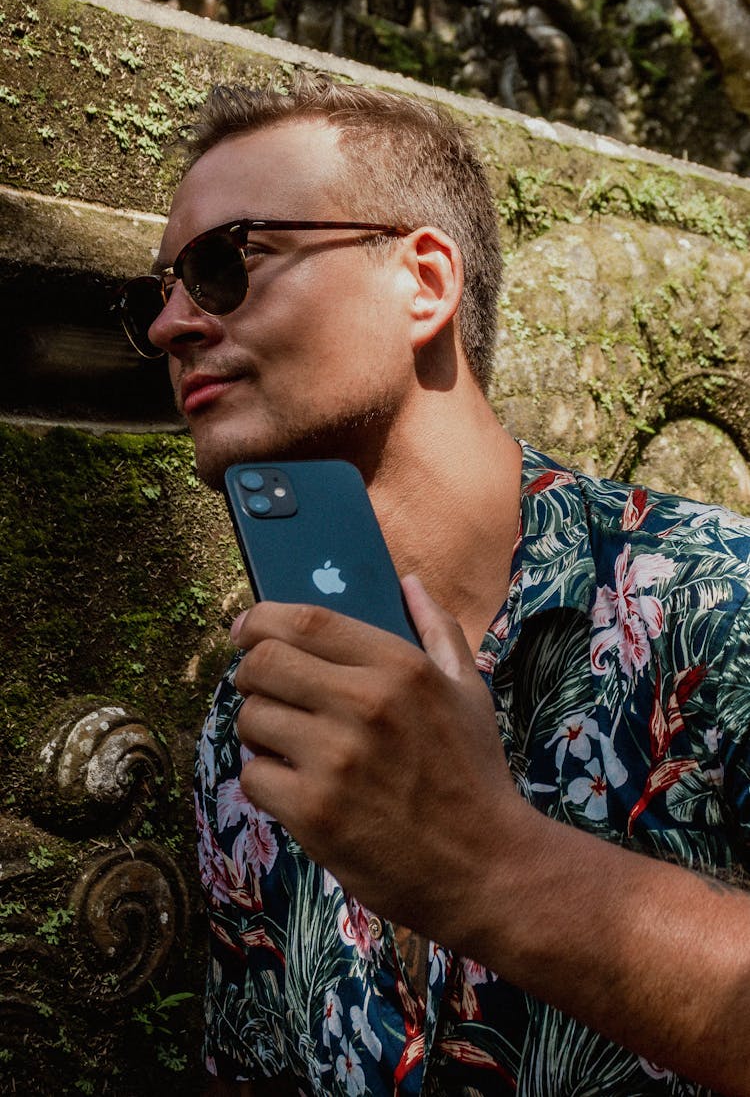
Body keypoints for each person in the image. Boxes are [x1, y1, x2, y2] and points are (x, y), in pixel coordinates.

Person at [116, 75, 750, 1096]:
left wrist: (493, 867)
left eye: (226, 264)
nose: (171, 327)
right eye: (159, 293)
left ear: (423, 280)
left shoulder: (718, 606)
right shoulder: (257, 717)